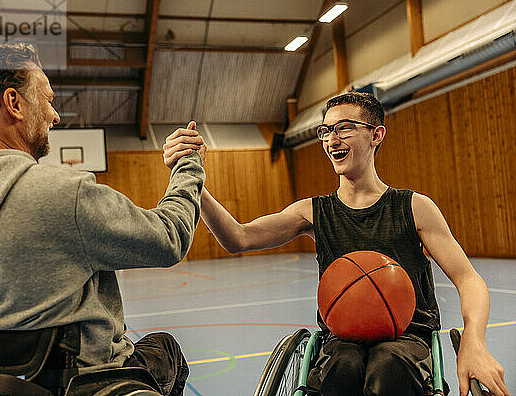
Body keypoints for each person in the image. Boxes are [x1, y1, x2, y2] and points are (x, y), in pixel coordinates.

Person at [162, 92, 509, 396]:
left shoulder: (414, 207)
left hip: (406, 339)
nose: (331, 139)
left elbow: (468, 279)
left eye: (344, 128)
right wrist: (192, 178)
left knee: (388, 366)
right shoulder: (313, 212)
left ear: (376, 135)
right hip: (342, 339)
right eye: (326, 131)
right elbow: (237, 238)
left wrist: (474, 342)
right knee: (340, 367)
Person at [0, 43, 207, 396]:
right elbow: (170, 237)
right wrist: (188, 165)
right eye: (48, 99)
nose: (54, 116)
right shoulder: (63, 194)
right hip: (87, 383)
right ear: (15, 103)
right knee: (165, 350)